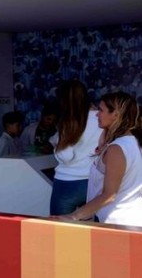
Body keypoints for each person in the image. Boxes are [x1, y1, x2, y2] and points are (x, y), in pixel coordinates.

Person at [57, 92, 142, 226]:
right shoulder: (132, 142)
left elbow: (109, 195)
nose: (97, 114)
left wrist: (74, 216)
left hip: (116, 222)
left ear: (115, 114)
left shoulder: (117, 149)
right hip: (126, 220)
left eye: (101, 110)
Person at [49, 80, 102, 216]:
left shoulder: (68, 122)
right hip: (94, 182)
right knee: (93, 227)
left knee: (60, 227)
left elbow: (66, 156)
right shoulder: (101, 118)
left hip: (67, 182)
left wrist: (56, 146)